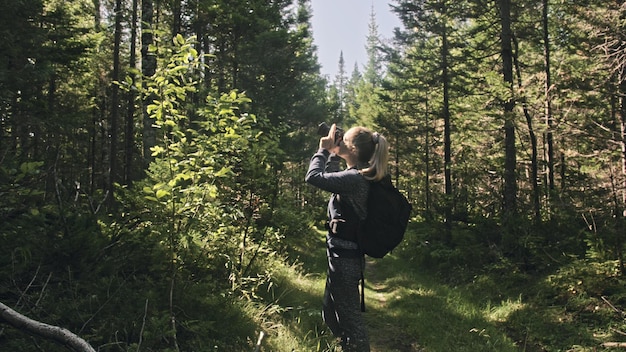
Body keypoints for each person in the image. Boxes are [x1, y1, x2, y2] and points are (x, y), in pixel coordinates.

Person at [305, 123, 389, 352]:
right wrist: (333, 154)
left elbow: (314, 177)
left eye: (344, 141)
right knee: (331, 314)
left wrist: (322, 150)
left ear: (352, 149)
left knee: (351, 322)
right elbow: (332, 178)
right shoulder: (356, 175)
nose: (338, 142)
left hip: (345, 259)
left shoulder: (355, 178)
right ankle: (346, 347)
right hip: (342, 256)